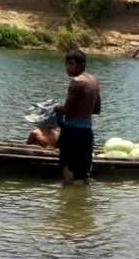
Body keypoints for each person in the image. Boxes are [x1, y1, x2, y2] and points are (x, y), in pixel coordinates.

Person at [54, 49, 101, 185]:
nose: (67, 68)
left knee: (67, 166)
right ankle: (81, 202)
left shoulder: (76, 81)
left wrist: (56, 108)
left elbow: (67, 109)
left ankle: (67, 199)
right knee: (83, 171)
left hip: (71, 132)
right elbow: (97, 109)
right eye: (66, 64)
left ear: (82, 65)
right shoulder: (94, 81)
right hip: (86, 131)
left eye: (71, 64)